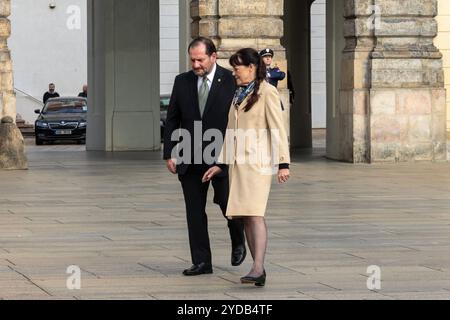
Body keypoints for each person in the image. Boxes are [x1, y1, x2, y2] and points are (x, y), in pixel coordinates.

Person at [204, 48, 291, 287]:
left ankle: (258, 266)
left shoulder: (267, 92)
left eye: (237, 67)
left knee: (255, 214)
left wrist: (283, 163)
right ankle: (257, 268)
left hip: (258, 165)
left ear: (251, 67)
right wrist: (220, 163)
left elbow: (277, 129)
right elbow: (230, 132)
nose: (234, 72)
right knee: (245, 216)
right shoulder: (238, 94)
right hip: (239, 166)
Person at [163, 37, 246, 276]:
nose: (196, 64)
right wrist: (170, 152)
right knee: (194, 212)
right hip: (189, 157)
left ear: (213, 57)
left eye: (200, 59)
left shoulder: (231, 81)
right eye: (193, 60)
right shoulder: (182, 81)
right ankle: (202, 262)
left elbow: (238, 121)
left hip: (221, 156)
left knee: (227, 204)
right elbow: (172, 119)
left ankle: (238, 238)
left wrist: (229, 156)